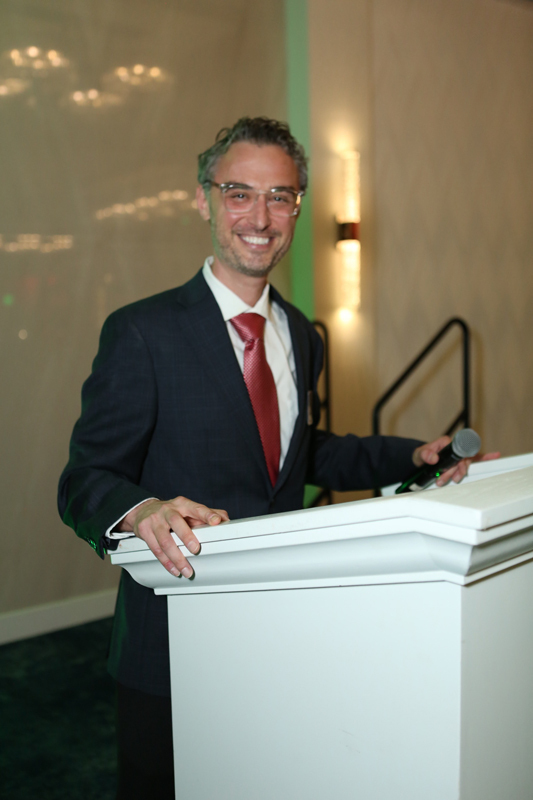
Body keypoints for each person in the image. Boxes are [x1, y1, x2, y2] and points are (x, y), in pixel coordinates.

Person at [58, 117, 494, 799]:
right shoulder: (141, 331)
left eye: (280, 196)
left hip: (284, 630)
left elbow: (299, 454)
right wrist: (141, 509)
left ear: (297, 207)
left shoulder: (300, 333)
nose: (259, 217)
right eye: (239, 193)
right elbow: (84, 479)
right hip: (173, 639)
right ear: (202, 200)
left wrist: (411, 454)